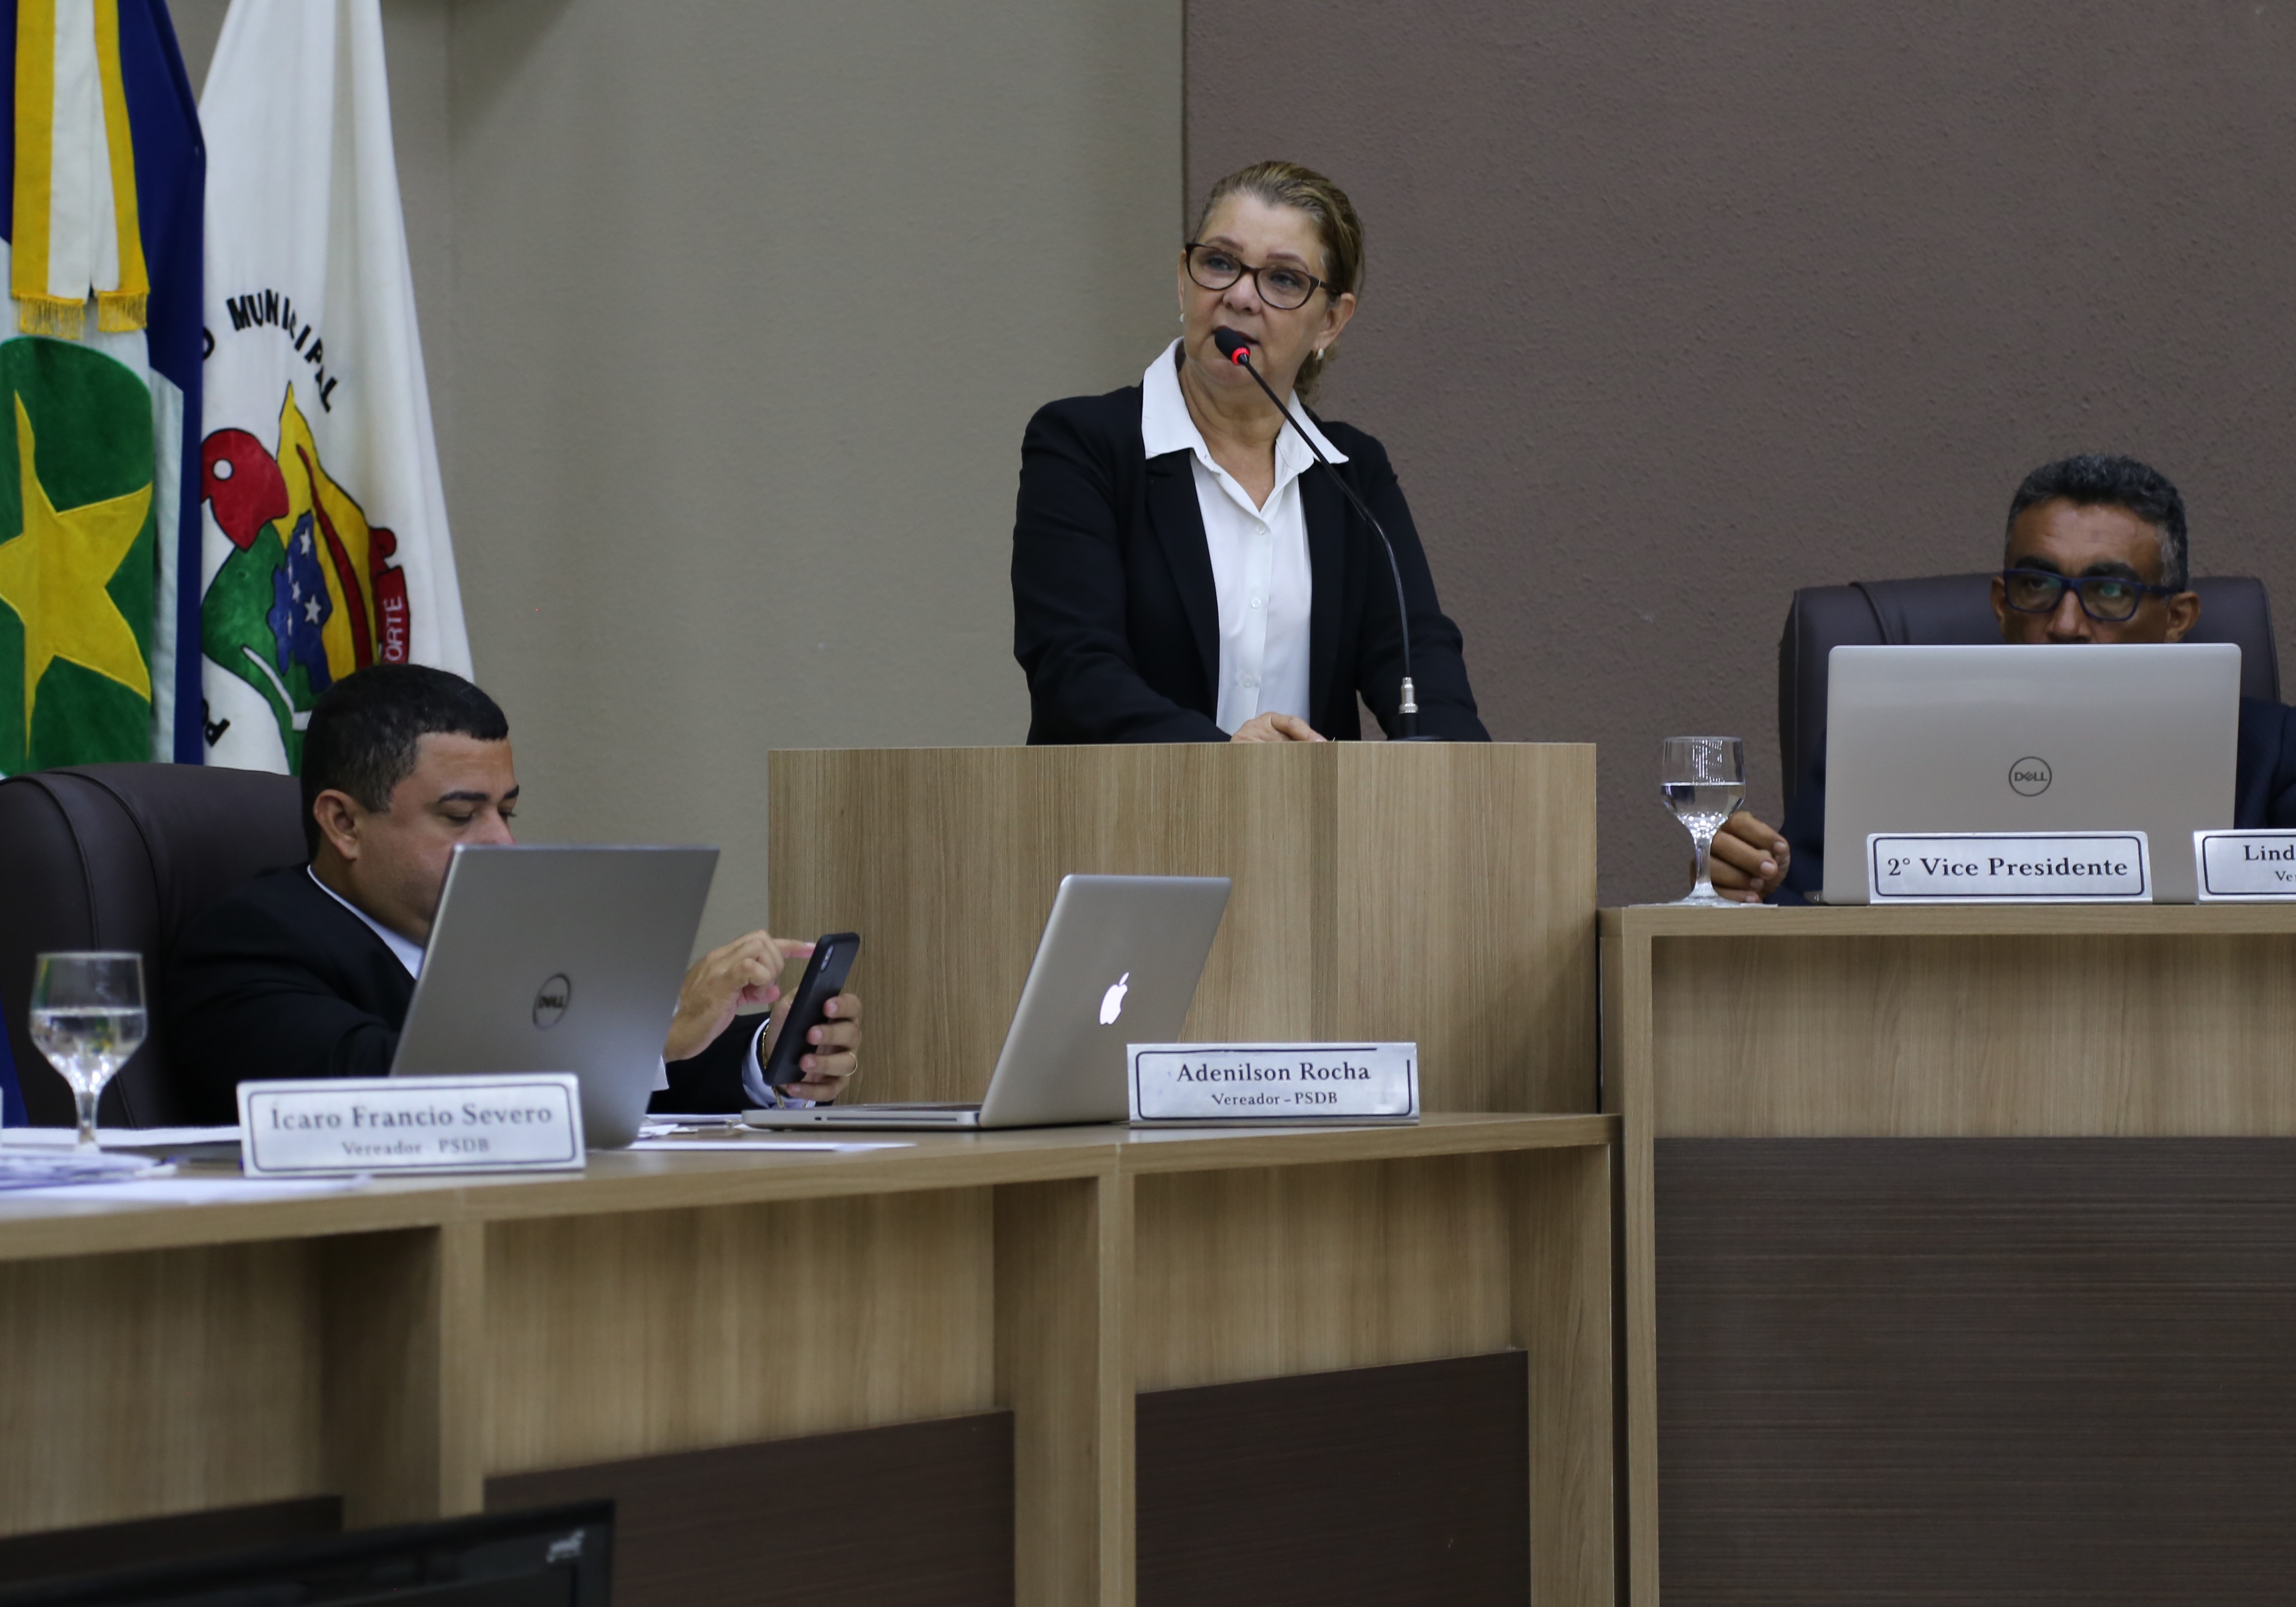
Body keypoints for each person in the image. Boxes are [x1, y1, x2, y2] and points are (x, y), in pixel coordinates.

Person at [1710, 454, 2296, 904]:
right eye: (2037, 587)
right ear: (2002, 603)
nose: (2066, 622)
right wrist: (1743, 878)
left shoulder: (2263, 745)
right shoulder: (1876, 739)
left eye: (2107, 593)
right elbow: (1791, 899)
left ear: (2176, 618)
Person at [166, 664, 862, 1116]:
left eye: (508, 811)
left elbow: (627, 1088)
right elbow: (388, 1094)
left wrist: (766, 1058)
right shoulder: (251, 944)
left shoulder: (515, 927)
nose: (500, 841)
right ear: (343, 822)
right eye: (460, 815)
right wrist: (652, 1029)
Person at [1012, 160, 1487, 745]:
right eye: (1219, 263)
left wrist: (1456, 768)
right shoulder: (1085, 445)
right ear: (1184, 280)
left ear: (1330, 323)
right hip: (1122, 824)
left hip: (1311, 832)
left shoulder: (1351, 472)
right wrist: (1228, 765)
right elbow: (1074, 673)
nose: (1240, 296)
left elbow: (1418, 655)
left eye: (1283, 280)